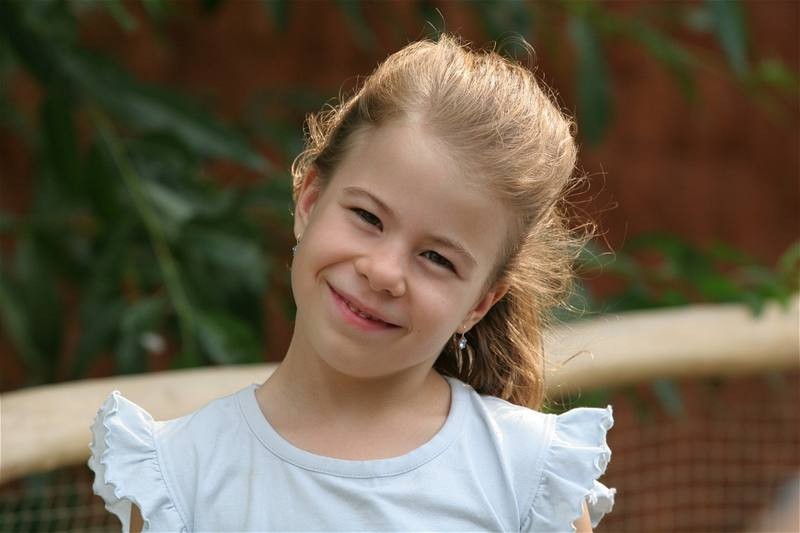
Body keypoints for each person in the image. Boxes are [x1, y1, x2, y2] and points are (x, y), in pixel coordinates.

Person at [89, 34, 615, 532]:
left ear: (479, 303)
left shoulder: (531, 478)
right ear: (310, 201)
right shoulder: (180, 477)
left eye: (436, 258)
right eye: (367, 217)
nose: (383, 272)